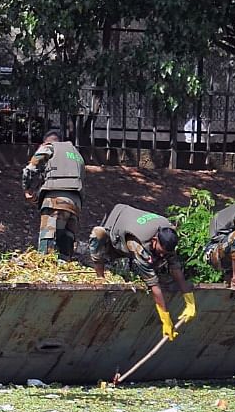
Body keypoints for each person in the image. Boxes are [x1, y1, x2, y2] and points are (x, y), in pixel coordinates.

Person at [89, 204, 196, 340]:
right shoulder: (137, 243)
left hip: (132, 225)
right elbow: (154, 286)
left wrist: (190, 301)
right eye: (161, 252)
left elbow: (175, 268)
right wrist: (166, 319)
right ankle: (100, 277)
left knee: (158, 261)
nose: (163, 256)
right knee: (98, 236)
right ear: (154, 240)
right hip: (115, 236)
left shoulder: (167, 233)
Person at [22, 129, 85, 258]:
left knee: (48, 242)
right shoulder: (77, 155)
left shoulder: (49, 147)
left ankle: (45, 268)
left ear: (47, 142)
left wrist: (27, 189)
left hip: (55, 201)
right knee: (66, 244)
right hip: (75, 204)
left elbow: (30, 169)